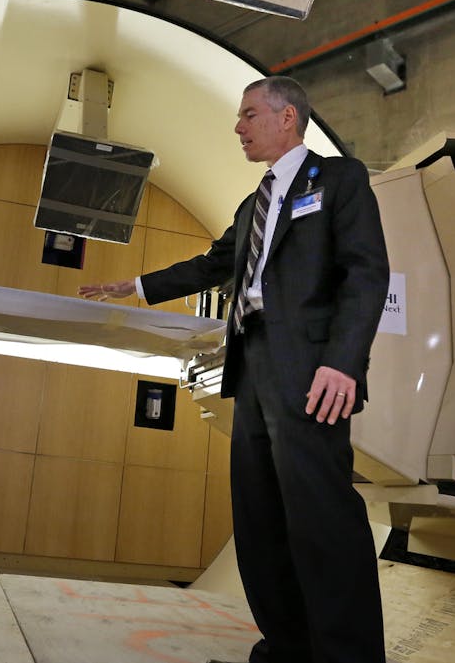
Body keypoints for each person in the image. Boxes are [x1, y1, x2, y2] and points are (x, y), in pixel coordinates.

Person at [79, 76, 389, 663]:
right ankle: (288, 648)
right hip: (251, 366)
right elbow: (214, 263)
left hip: (310, 368)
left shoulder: (339, 179)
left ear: (287, 116)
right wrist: (139, 286)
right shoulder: (253, 205)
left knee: (320, 516)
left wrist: (343, 363)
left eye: (249, 114)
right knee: (260, 517)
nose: (239, 127)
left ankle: (348, 657)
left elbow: (365, 274)